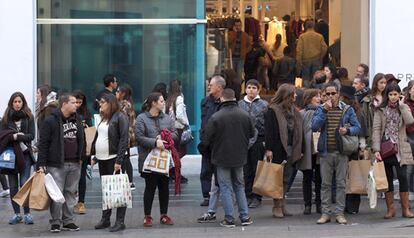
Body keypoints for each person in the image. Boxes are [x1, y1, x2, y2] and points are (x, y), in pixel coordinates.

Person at [199, 88, 255, 228]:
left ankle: (229, 218)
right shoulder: (244, 115)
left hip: (221, 156)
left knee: (225, 187)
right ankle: (245, 216)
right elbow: (251, 133)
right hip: (240, 156)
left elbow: (206, 139)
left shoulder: (216, 116)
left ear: (222, 99)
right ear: (235, 98)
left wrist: (206, 151)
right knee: (239, 186)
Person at [312, 82, 361, 225]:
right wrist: (324, 111)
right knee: (325, 184)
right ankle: (326, 213)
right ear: (324, 95)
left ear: (338, 94)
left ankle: (339, 213)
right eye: (327, 94)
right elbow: (314, 126)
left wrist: (348, 131)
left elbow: (357, 127)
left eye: (333, 93)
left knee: (340, 184)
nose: (331, 96)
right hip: (325, 153)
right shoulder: (321, 109)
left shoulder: (347, 109)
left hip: (342, 152)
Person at [37, 93, 84, 233]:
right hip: (56, 163)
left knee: (70, 193)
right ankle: (56, 222)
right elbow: (43, 143)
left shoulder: (78, 119)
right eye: (73, 102)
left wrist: (82, 158)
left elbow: (82, 140)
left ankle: (68, 221)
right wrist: (41, 163)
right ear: (64, 104)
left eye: (76, 102)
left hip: (75, 162)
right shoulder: (51, 121)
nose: (76, 105)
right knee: (56, 194)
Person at [372, 82, 414, 219]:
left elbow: (410, 121)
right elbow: (376, 129)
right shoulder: (380, 109)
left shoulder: (403, 107)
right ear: (387, 95)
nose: (393, 97)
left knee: (403, 177)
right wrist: (376, 149)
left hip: (400, 148)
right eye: (390, 94)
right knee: (388, 178)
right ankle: (391, 209)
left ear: (399, 94)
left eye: (395, 94)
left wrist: (402, 105)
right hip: (386, 148)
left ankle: (405, 209)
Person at [135, 92, 177, 227]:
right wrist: (155, 142)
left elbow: (176, 134)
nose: (163, 102)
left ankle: (164, 214)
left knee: (164, 187)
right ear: (153, 103)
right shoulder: (141, 118)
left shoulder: (167, 118)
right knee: (150, 187)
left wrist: (167, 138)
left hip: (164, 159)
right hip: (149, 159)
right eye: (161, 101)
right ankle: (147, 216)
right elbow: (139, 137)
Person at [265, 84, 303, 218]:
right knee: (277, 179)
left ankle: (282, 204)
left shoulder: (294, 110)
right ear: (286, 95)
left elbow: (299, 131)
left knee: (286, 178)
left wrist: (300, 148)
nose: (296, 96)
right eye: (294, 94)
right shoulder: (272, 110)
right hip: (278, 149)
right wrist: (269, 149)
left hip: (291, 148)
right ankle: (276, 206)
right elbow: (269, 131)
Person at [91, 93, 129, 232]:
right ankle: (105, 219)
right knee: (106, 190)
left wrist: (119, 160)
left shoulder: (120, 117)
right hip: (102, 158)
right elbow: (100, 137)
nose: (100, 105)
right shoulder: (103, 118)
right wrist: (95, 156)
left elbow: (124, 139)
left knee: (118, 190)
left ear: (110, 103)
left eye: (103, 102)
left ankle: (120, 221)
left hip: (114, 159)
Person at [0, 92, 35, 225]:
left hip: (25, 155)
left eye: (19, 101)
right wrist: (13, 136)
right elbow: (2, 136)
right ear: (11, 103)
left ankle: (27, 213)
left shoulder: (29, 117)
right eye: (15, 102)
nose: (17, 104)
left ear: (23, 102)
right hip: (10, 156)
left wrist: (17, 137)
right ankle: (16, 214)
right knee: (13, 186)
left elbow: (31, 136)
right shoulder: (5, 118)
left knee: (24, 184)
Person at [238, 79, 268, 208]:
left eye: (254, 88)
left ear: (258, 90)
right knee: (246, 169)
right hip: (244, 140)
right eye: (249, 87)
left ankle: (257, 196)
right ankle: (247, 194)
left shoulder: (264, 105)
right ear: (245, 89)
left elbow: (268, 124)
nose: (251, 90)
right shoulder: (239, 104)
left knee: (257, 169)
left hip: (259, 139)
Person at [340, 86, 368, 214]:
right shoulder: (357, 110)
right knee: (353, 175)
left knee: (349, 176)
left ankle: (349, 205)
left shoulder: (353, 111)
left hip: (350, 147)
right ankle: (352, 206)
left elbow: (362, 131)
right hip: (353, 147)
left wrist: (362, 148)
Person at [199, 75, 225, 206]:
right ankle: (206, 196)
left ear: (219, 87)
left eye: (211, 85)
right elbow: (203, 121)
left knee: (221, 170)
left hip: (220, 143)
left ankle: (222, 194)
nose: (209, 87)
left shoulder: (225, 103)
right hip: (206, 141)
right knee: (205, 170)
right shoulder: (205, 101)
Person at [298, 89, 322, 215]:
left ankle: (319, 204)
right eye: (316, 96)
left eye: (319, 96)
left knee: (319, 177)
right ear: (309, 98)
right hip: (306, 148)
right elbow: (299, 133)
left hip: (319, 148)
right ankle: (307, 204)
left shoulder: (323, 111)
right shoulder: (302, 113)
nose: (319, 98)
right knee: (307, 176)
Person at [166, 80, 190, 183]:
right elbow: (180, 115)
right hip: (178, 129)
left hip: (170, 129)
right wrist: (185, 123)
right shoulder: (179, 98)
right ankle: (176, 174)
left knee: (173, 152)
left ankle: (172, 172)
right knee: (180, 152)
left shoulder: (168, 99)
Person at [73, 90, 92, 215]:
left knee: (81, 176)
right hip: (71, 149)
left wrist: (89, 151)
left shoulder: (86, 114)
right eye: (76, 102)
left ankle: (81, 202)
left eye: (80, 102)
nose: (78, 105)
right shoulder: (68, 113)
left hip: (83, 149)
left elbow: (90, 132)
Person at [116, 84, 136, 190]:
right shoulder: (127, 103)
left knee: (125, 158)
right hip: (127, 135)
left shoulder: (124, 105)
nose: (116, 93)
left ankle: (129, 181)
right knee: (125, 157)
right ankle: (128, 180)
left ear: (123, 93)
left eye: (118, 91)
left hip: (125, 136)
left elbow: (121, 120)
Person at [296, 20, 327, 88]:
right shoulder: (319, 36)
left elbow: (299, 50)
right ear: (314, 26)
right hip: (317, 60)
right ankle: (315, 93)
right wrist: (320, 57)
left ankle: (307, 94)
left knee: (306, 78)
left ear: (306, 26)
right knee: (317, 78)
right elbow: (325, 48)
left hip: (305, 61)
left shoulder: (302, 37)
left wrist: (299, 61)